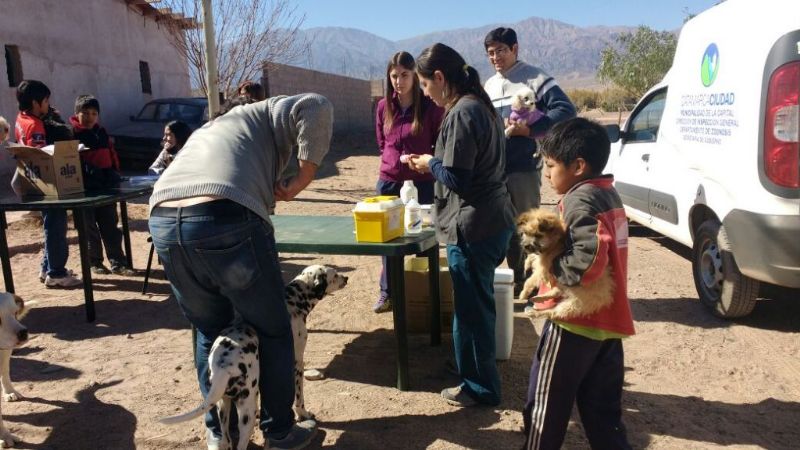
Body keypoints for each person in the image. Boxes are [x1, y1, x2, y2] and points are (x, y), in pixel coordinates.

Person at [148, 93, 333, 450]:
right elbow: (316, 106)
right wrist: (301, 179)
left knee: (208, 329)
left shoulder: (211, 130)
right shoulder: (263, 112)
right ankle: (280, 432)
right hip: (225, 218)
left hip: (165, 222)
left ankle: (219, 433)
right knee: (274, 328)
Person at [406, 43, 516, 407]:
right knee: (476, 303)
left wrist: (429, 163)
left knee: (472, 311)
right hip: (492, 220)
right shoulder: (479, 106)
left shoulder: (462, 113)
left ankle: (480, 388)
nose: (425, 93)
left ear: (439, 78)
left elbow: (457, 176)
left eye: (424, 85)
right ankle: (469, 367)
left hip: (474, 226)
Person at [522, 118, 634, 450]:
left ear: (578, 166)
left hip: (574, 323)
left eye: (551, 165)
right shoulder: (606, 192)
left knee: (545, 407)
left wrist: (556, 270)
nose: (545, 172)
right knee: (603, 414)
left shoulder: (580, 199)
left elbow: (589, 254)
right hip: (607, 326)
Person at [483, 27, 576, 305]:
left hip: (523, 167)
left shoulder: (535, 78)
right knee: (503, 228)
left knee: (528, 228)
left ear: (515, 49)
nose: (496, 57)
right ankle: (514, 284)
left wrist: (530, 129)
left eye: (501, 50)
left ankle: (534, 287)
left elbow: (565, 110)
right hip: (494, 170)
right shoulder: (489, 85)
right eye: (490, 53)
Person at [372, 51, 444, 313]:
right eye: (394, 76)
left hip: (422, 182)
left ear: (414, 76)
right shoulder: (383, 106)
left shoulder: (430, 107)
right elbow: (382, 142)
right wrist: (392, 161)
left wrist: (425, 161)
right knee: (388, 239)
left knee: (424, 237)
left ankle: (425, 292)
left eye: (404, 75)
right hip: (389, 182)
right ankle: (387, 293)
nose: (399, 81)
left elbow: (439, 143)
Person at [14, 80, 82, 288]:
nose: (48, 104)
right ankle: (57, 273)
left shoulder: (21, 118)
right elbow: (41, 154)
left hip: (33, 183)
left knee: (49, 226)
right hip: (48, 184)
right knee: (56, 227)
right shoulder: (35, 125)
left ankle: (47, 268)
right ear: (36, 103)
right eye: (45, 101)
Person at [69, 95, 135, 276]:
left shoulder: (101, 132)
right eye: (85, 113)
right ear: (76, 113)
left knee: (110, 226)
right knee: (89, 228)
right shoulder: (71, 133)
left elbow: (111, 154)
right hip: (85, 190)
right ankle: (94, 262)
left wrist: (114, 173)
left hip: (105, 187)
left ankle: (118, 262)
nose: (89, 117)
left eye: (94, 113)